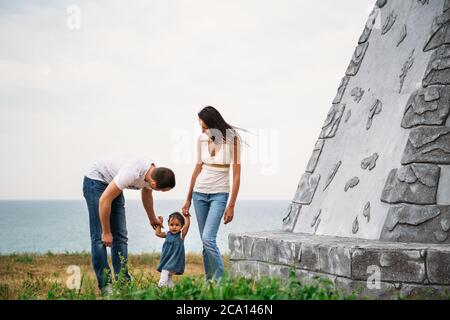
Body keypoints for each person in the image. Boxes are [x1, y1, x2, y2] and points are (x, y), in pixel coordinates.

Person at [82, 155, 176, 295]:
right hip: (96, 181)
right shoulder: (131, 173)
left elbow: (146, 194)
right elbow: (104, 201)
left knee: (120, 237)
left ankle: (123, 283)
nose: (161, 192)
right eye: (162, 190)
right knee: (99, 237)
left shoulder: (152, 174)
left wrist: (152, 219)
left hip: (112, 182)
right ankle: (106, 286)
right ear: (155, 184)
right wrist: (107, 232)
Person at [182, 106, 242, 281]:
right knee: (205, 243)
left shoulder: (232, 140)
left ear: (214, 124)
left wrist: (231, 205)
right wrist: (187, 199)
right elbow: (196, 169)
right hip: (199, 193)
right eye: (201, 127)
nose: (203, 131)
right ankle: (210, 286)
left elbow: (237, 176)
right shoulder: (201, 140)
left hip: (219, 194)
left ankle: (221, 284)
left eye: (205, 127)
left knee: (209, 238)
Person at [155, 212, 190, 288]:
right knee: (168, 277)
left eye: (177, 225)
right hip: (167, 259)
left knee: (165, 271)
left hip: (175, 260)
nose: (174, 227)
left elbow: (187, 227)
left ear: (181, 226)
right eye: (171, 225)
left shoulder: (181, 235)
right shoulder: (167, 233)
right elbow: (158, 233)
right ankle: (171, 290)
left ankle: (160, 287)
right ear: (168, 225)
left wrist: (187, 217)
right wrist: (159, 224)